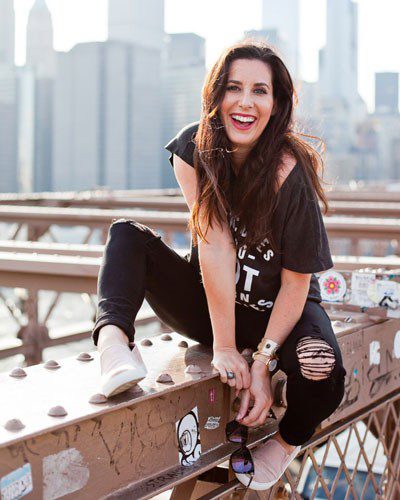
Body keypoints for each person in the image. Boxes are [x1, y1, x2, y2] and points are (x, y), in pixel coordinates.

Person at [91, 39, 346, 491]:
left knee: (320, 365)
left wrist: (264, 362)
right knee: (126, 235)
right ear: (216, 94)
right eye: (234, 87)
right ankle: (113, 345)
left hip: (280, 314)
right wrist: (225, 346)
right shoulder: (193, 149)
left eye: (260, 91)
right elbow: (215, 247)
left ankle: (286, 445)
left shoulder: (292, 176)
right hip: (214, 305)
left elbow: (295, 284)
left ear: (277, 103)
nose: (245, 102)